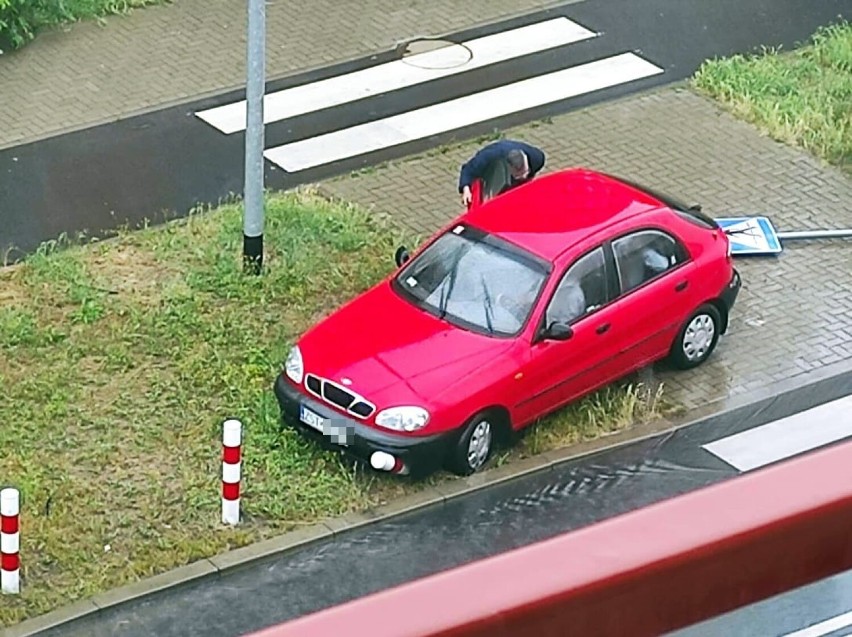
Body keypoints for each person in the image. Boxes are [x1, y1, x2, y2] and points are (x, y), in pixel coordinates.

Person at [458, 139, 546, 206]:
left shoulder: (537, 158)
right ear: (509, 166)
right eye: (518, 176)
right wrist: (466, 190)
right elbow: (468, 169)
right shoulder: (489, 156)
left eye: (525, 173)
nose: (523, 177)